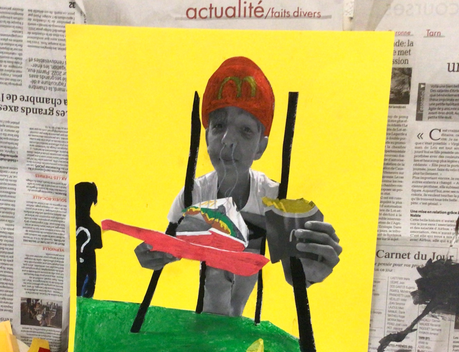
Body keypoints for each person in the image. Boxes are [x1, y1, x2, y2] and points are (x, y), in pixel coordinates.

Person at [134, 57, 342, 317]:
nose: (228, 140)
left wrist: (309, 271)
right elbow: (169, 246)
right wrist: (153, 255)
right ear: (206, 136)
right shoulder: (193, 194)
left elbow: (295, 273)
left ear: (261, 147)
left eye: (245, 130)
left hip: (247, 323)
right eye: (219, 125)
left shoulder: (274, 198)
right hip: (203, 320)